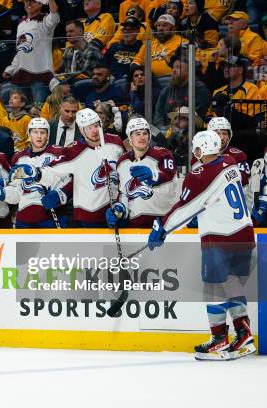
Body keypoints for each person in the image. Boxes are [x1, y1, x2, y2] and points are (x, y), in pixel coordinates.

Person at [148, 130, 256, 360]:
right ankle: (244, 335)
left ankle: (219, 341)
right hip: (245, 234)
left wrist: (162, 227)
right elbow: (209, 199)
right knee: (232, 284)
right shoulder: (230, 161)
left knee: (213, 287)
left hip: (220, 237)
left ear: (199, 151)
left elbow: (185, 207)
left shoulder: (200, 174)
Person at [13, 108, 124, 227]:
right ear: (82, 130)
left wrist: (121, 204)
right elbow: (53, 171)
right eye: (89, 128)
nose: (94, 131)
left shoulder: (115, 142)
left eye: (96, 125)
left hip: (116, 210)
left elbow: (125, 168)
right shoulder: (74, 151)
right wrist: (36, 173)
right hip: (89, 214)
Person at [0, 117, 69, 228]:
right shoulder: (19, 158)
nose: (39, 136)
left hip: (52, 217)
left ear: (48, 135)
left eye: (42, 132)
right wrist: (2, 193)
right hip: (24, 219)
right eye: (35, 132)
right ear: (29, 134)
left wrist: (61, 194)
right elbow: (17, 192)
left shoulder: (58, 153)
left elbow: (69, 181)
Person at [106, 117, 177, 229]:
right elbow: (124, 193)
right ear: (130, 137)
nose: (142, 137)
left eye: (145, 133)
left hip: (163, 222)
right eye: (137, 134)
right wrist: (119, 209)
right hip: (136, 224)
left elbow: (170, 177)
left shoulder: (162, 154)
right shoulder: (122, 162)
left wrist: (154, 175)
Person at [2, 0, 59, 105]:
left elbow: (54, 15)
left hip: (40, 75)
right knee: (15, 110)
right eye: (26, 2)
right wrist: (11, 69)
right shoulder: (21, 24)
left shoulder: (45, 20)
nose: (28, 4)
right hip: (20, 75)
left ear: (40, 3)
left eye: (33, 2)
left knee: (38, 110)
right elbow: (20, 50)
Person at [103, 16, 144, 80]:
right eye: (125, 29)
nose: (127, 32)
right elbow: (103, 65)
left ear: (137, 31)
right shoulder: (114, 46)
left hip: (132, 81)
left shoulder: (142, 47)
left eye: (130, 30)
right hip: (113, 81)